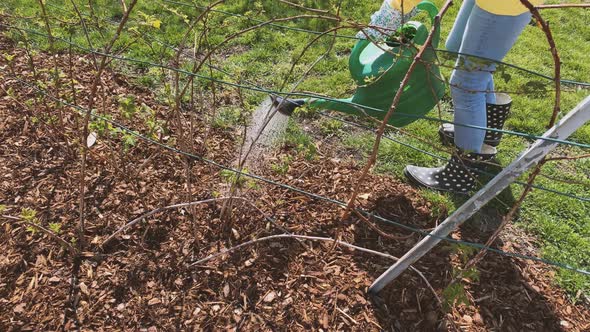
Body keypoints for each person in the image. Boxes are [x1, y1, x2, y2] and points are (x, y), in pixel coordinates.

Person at [403, 0, 542, 193]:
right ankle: (486, 133)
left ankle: (460, 174)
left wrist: (394, 10)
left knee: (466, 83)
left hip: (503, 4)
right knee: (456, 48)